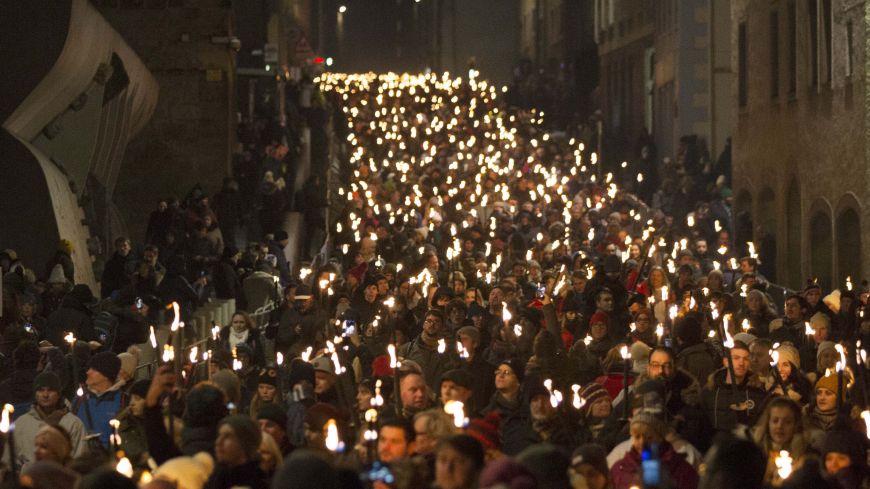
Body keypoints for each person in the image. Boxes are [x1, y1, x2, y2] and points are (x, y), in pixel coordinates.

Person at [609, 410, 698, 489]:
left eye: (649, 437)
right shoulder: (619, 469)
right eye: (637, 437)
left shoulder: (681, 470)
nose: (642, 443)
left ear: (660, 437)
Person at [15, 372, 86, 471]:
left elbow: (79, 459)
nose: (45, 395)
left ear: (58, 394)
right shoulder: (22, 423)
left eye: (50, 390)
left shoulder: (73, 423)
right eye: (41, 390)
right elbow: (12, 460)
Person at [701, 341, 767, 433]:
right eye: (736, 358)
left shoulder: (757, 392)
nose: (741, 363)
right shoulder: (710, 392)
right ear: (726, 362)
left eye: (746, 359)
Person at [750, 397, 812, 486]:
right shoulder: (754, 454)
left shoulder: (806, 457)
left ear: (796, 425)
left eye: (787, 422)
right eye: (775, 421)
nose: (780, 426)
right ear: (768, 423)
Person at [73, 351, 126, 448]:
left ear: (106, 375)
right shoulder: (79, 399)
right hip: (80, 460)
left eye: (94, 369)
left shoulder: (123, 401)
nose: (88, 372)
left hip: (108, 460)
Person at [210, 415, 269, 489]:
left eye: (228, 436)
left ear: (245, 443)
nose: (218, 442)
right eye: (219, 435)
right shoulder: (211, 477)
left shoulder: (259, 482)